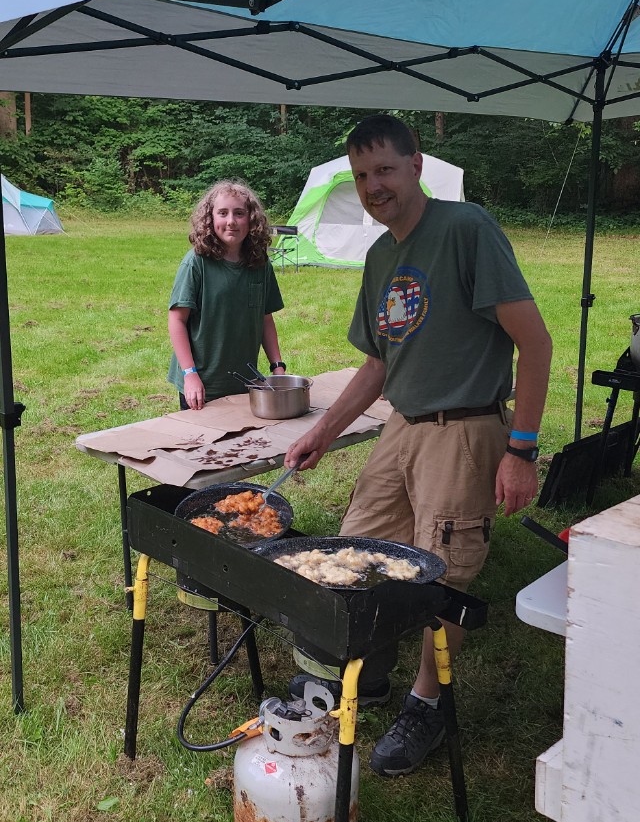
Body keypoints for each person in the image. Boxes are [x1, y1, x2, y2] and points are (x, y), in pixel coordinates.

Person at [285, 114, 552, 779]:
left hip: (466, 429)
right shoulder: (381, 257)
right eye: (362, 176)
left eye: (385, 170)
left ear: (416, 165)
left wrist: (521, 449)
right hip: (402, 426)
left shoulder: (466, 230)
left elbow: (536, 343)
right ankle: (365, 675)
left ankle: (424, 705)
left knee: (443, 574)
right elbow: (379, 364)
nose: (374, 186)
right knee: (357, 547)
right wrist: (323, 430)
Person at [167, 179, 286, 410]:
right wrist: (190, 375)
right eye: (223, 213)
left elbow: (265, 319)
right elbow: (177, 320)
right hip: (201, 386)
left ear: (251, 220)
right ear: (210, 219)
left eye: (239, 213)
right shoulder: (196, 263)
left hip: (244, 382)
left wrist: (277, 366)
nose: (231, 221)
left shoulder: (260, 263)